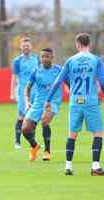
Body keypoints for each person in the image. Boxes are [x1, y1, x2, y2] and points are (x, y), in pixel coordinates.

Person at [44, 33, 104, 176]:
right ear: (89, 44)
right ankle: (95, 166)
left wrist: (48, 99)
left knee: (72, 134)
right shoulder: (96, 60)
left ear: (77, 44)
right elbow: (102, 81)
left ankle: (68, 167)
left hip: (75, 102)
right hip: (91, 101)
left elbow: (58, 81)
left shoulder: (71, 60)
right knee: (98, 133)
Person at [22, 48, 63, 161]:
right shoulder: (36, 71)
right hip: (38, 103)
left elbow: (70, 83)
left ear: (52, 57)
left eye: (47, 56)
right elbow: (28, 88)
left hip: (52, 102)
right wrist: (27, 101)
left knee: (44, 121)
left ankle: (47, 151)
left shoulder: (59, 70)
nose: (44, 59)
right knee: (25, 129)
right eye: (42, 56)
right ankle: (35, 146)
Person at [10, 37, 40, 149]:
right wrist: (11, 93)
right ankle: (17, 142)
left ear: (31, 46)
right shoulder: (17, 61)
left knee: (34, 117)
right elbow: (14, 77)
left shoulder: (36, 58)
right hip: (23, 92)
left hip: (36, 91)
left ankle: (33, 143)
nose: (26, 47)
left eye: (27, 45)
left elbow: (40, 73)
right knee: (21, 116)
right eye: (24, 45)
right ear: (21, 47)